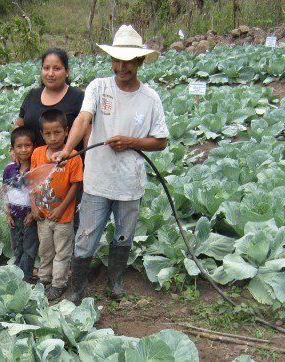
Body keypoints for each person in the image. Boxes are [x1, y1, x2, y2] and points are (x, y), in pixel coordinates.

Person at [52, 25, 168, 304]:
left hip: (130, 182)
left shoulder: (150, 98)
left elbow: (161, 141)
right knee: (86, 237)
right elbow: (83, 119)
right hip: (97, 179)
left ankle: (114, 282)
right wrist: (68, 149)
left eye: (128, 61)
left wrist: (131, 142)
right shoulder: (99, 87)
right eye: (116, 60)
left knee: (124, 236)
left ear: (139, 62)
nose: (121, 67)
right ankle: (77, 290)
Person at [30, 109, 83, 300]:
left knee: (62, 252)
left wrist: (61, 208)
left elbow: (76, 185)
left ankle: (58, 283)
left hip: (63, 217)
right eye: (48, 133)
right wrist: (34, 207)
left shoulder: (73, 156)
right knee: (45, 250)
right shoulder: (37, 153)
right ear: (42, 134)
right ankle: (44, 279)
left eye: (57, 132)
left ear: (67, 131)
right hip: (42, 216)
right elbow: (32, 181)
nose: (53, 138)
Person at [15, 48, 86, 152]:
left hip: (68, 165)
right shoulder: (32, 95)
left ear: (67, 72)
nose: (50, 73)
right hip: (34, 165)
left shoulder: (78, 97)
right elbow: (18, 126)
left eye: (57, 68)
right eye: (46, 68)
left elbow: (88, 134)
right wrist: (13, 148)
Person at [2, 127, 39, 282]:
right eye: (19, 146)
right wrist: (7, 212)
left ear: (34, 147)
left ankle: (26, 278)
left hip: (30, 217)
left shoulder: (37, 168)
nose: (23, 150)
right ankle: (18, 277)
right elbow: (5, 190)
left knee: (29, 248)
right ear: (13, 149)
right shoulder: (9, 169)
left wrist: (32, 213)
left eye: (27, 145)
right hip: (15, 216)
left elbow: (40, 193)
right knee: (17, 247)